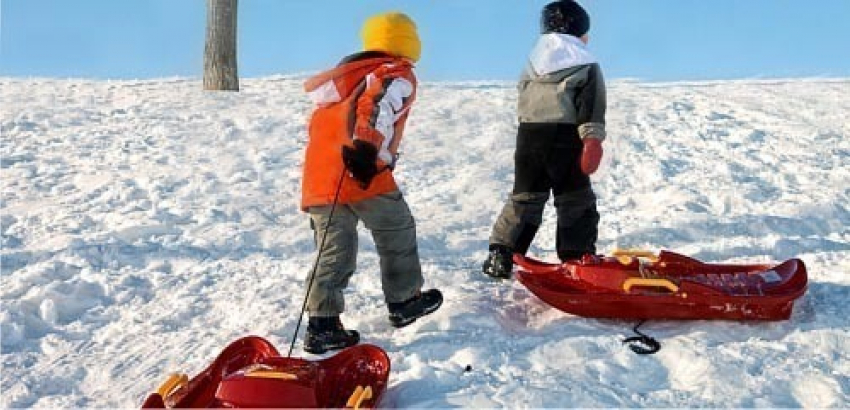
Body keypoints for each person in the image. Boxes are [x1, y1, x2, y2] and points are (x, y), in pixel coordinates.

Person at [299, 12, 443, 354]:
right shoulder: (394, 73)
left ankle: (321, 325)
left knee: (334, 248)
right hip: (363, 171)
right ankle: (404, 299)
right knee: (397, 229)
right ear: (406, 41)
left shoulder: (343, 81)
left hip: (321, 178)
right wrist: (366, 147)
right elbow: (377, 105)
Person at [483, 0, 607, 279]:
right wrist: (592, 140)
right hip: (565, 139)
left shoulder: (532, 64)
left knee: (525, 196)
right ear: (580, 33)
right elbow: (591, 107)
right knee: (575, 198)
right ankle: (577, 255)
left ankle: (502, 251)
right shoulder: (587, 65)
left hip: (529, 138)